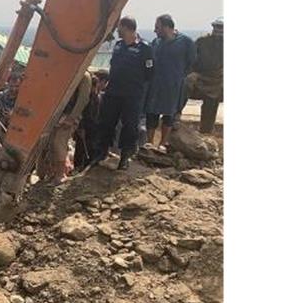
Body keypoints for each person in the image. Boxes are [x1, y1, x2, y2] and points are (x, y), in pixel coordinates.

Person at [89, 16, 155, 170]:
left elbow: (149, 73)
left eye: (119, 27)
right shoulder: (118, 46)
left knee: (130, 126)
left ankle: (125, 157)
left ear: (127, 28)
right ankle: (101, 153)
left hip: (132, 95)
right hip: (113, 92)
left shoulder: (145, 48)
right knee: (106, 123)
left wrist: (135, 84)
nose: (117, 30)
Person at [144, 14, 197, 148]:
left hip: (173, 85)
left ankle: (163, 143)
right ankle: (149, 143)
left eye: (158, 27)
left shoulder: (185, 42)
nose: (155, 31)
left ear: (167, 27)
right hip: (155, 84)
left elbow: (192, 62)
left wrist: (179, 77)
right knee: (151, 113)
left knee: (169, 114)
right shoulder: (156, 42)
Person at [37, 71, 93, 184]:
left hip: (69, 115)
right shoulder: (65, 69)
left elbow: (83, 99)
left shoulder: (84, 76)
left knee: (59, 142)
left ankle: (60, 174)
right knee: (49, 143)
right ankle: (51, 173)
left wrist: (72, 117)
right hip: (56, 114)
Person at [186, 17, 223, 134]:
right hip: (199, 76)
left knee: (212, 101)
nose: (219, 30)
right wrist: (192, 73)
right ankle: (175, 117)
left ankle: (206, 131)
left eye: (221, 28)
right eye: (217, 27)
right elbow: (190, 59)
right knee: (185, 84)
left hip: (217, 79)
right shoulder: (202, 41)